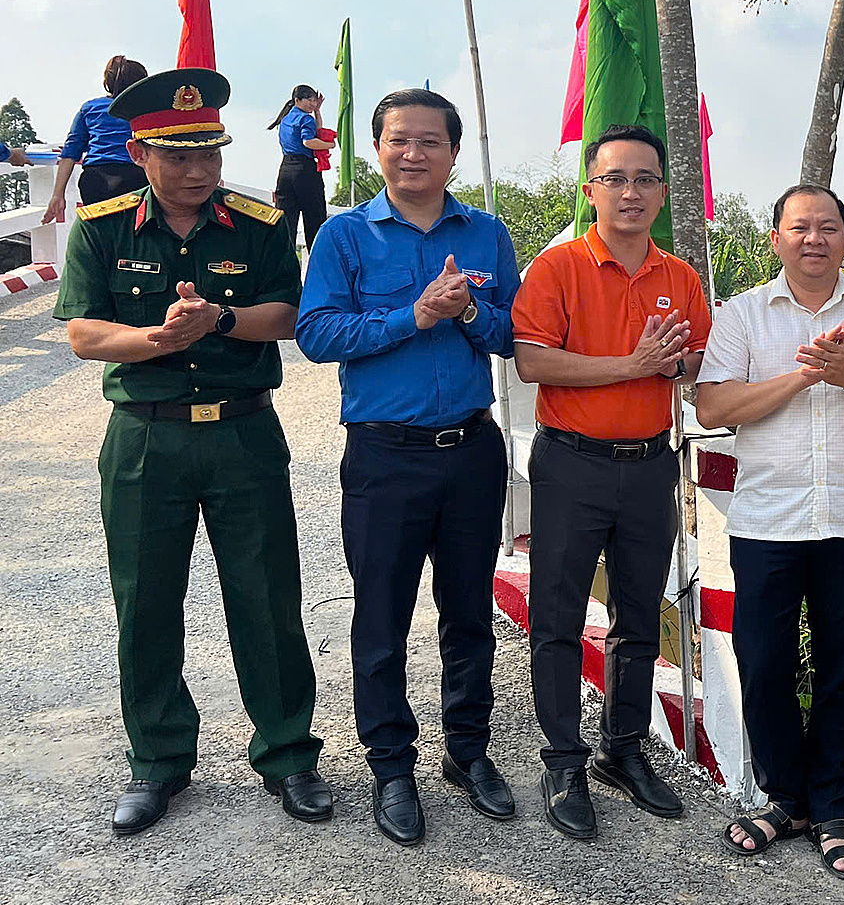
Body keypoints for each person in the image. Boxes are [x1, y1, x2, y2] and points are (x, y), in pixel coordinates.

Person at [52, 67, 329, 835]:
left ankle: (288, 754)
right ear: (140, 153)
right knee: (145, 600)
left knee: (267, 597)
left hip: (244, 432)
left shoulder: (260, 225)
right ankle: (157, 761)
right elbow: (83, 333)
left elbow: (288, 314)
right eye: (178, 156)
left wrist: (220, 321)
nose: (198, 171)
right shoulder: (103, 226)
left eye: (209, 152)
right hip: (146, 437)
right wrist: (157, 339)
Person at [296, 89, 520, 847]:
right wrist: (414, 315)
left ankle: (469, 752)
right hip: (385, 455)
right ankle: (391, 766)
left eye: (430, 141)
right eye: (399, 140)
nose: (413, 154)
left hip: (471, 451)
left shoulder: (486, 234)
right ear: (378, 148)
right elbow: (318, 335)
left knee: (469, 614)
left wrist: (468, 313)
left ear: (453, 153)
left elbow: (512, 335)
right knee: (381, 617)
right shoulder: (345, 235)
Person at [696, 183, 844, 881]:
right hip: (768, 522)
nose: (814, 239)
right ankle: (782, 799)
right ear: (776, 239)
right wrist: (803, 378)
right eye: (800, 228)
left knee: (842, 670)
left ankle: (829, 808)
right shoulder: (741, 315)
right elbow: (713, 407)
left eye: (828, 227)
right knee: (764, 662)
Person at [511, 124, 707, 842]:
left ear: (663, 191)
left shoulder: (679, 277)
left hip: (651, 463)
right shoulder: (559, 267)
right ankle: (563, 760)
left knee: (639, 614)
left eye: (645, 179)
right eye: (615, 178)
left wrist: (674, 364)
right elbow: (533, 362)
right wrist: (633, 365)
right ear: (591, 189)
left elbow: (698, 360)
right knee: (558, 616)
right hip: (573, 463)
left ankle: (622, 750)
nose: (631, 192)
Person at [41, 55, 148, 224]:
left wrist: (57, 195)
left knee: (99, 232)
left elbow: (70, 152)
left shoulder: (90, 108)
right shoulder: (147, 110)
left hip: (96, 179)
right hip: (136, 177)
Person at [270, 85, 334, 250]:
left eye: (314, 100)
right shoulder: (306, 119)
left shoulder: (285, 119)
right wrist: (330, 144)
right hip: (304, 169)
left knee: (286, 220)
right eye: (309, 100)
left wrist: (317, 111)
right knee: (314, 216)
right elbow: (309, 141)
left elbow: (316, 131)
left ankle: (285, 259)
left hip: (285, 170)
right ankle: (317, 257)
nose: (312, 104)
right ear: (297, 100)